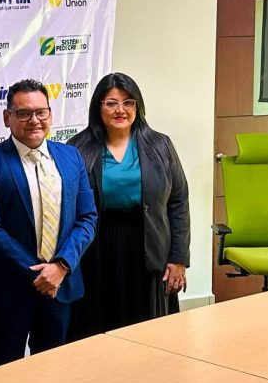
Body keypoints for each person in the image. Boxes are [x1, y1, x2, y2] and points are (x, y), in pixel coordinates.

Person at [0, 78, 97, 368]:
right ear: (7, 117)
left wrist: (61, 266)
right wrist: (39, 274)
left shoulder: (71, 156)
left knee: (53, 375)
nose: (34, 120)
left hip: (60, 287)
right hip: (7, 290)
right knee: (4, 377)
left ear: (50, 114)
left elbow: (87, 217)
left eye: (41, 112)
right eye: (24, 113)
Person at [67, 72, 190, 340]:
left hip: (149, 246)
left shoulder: (160, 145)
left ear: (138, 106)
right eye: (111, 103)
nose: (120, 110)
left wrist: (179, 258)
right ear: (98, 107)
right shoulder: (78, 147)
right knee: (97, 330)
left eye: (128, 102)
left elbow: (178, 202)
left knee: (149, 334)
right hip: (96, 249)